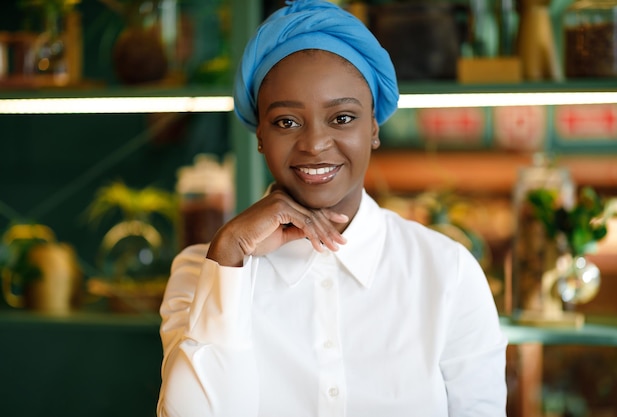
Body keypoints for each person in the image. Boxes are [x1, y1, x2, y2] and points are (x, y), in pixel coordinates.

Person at [157, 1, 508, 416]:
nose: (314, 144)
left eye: (342, 117)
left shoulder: (447, 272)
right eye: (287, 122)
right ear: (259, 136)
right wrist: (230, 249)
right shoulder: (205, 271)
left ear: (374, 126)